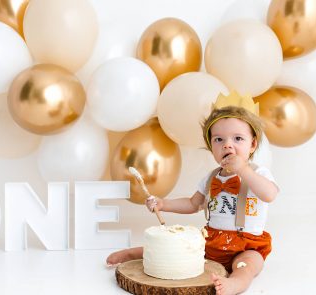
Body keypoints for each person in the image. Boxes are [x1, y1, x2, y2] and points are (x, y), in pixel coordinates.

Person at [106, 92, 279, 295]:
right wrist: (164, 204)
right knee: (176, 251)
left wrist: (244, 171)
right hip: (212, 241)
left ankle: (234, 284)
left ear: (252, 145)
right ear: (210, 146)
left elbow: (270, 194)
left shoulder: (258, 173)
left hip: (247, 244)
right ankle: (134, 254)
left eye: (238, 138)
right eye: (218, 139)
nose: (227, 145)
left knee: (247, 265)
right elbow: (192, 204)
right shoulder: (211, 178)